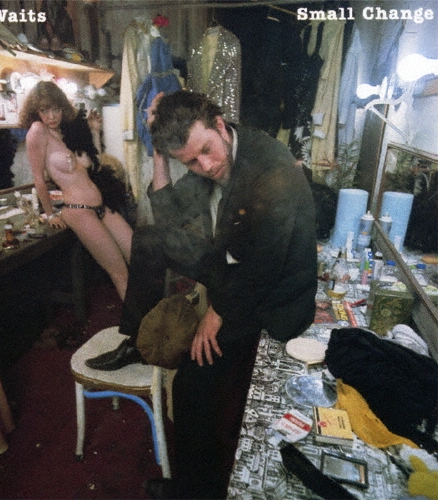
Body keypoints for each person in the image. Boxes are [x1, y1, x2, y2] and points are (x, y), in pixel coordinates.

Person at [86, 90, 318, 498]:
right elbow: (170, 217)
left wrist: (216, 311)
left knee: (190, 385)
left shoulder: (272, 170)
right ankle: (136, 338)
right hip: (232, 264)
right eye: (191, 161)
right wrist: (159, 154)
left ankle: (195, 491)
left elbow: (264, 267)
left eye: (206, 152)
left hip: (271, 294)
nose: (206, 166)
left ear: (220, 124)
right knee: (151, 239)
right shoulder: (213, 150)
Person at [19, 81, 132, 300]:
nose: (51, 116)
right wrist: (50, 214)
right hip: (78, 210)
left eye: (56, 109)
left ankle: (153, 315)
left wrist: (95, 132)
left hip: (100, 205)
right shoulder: (38, 131)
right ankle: (141, 321)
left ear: (63, 107)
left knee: (138, 258)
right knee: (120, 273)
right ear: (36, 111)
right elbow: (38, 178)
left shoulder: (66, 133)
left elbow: (95, 165)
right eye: (44, 110)